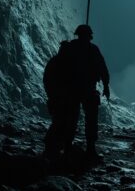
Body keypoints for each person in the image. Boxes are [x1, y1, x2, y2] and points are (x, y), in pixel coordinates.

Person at [65, 24, 110, 160]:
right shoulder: (92, 49)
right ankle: (88, 148)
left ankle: (69, 147)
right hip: (84, 89)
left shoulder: (70, 48)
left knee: (73, 118)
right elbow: (102, 69)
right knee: (88, 119)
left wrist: (106, 85)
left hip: (74, 89)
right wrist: (106, 86)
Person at [43, 40, 76, 161]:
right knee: (60, 123)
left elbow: (47, 80)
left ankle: (54, 148)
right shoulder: (65, 63)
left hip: (59, 98)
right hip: (60, 98)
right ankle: (53, 148)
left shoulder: (55, 62)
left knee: (61, 123)